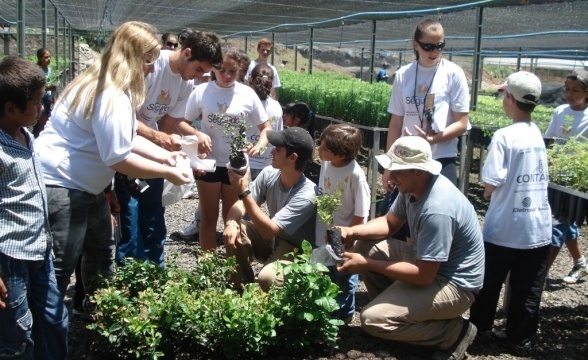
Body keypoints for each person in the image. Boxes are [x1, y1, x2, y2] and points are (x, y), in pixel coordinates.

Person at [34, 22, 191, 309]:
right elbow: (118, 158)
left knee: (101, 255)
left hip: (87, 189)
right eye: (149, 61)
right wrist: (168, 171)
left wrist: (165, 156)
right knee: (59, 268)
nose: (152, 69)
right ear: (133, 58)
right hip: (63, 186)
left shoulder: (111, 86)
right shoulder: (111, 94)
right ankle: (44, 338)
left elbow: (126, 138)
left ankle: (98, 319)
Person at [337, 135, 484, 360]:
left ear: (419, 170)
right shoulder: (412, 188)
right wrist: (351, 231)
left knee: (372, 320)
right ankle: (401, 314)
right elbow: (388, 223)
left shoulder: (437, 209)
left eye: (398, 170)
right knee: (365, 244)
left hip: (455, 285)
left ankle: (453, 332)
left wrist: (367, 265)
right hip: (430, 266)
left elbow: (424, 276)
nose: (391, 176)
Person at [115, 30, 223, 267]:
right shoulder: (151, 66)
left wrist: (187, 156)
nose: (198, 77)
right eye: (199, 70)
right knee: (130, 220)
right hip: (126, 153)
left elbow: (168, 126)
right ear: (186, 53)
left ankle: (155, 273)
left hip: (151, 152)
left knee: (154, 218)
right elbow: (124, 121)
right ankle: (129, 279)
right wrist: (161, 140)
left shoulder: (185, 84)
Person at [469, 71, 551, 357]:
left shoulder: (504, 136)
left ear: (510, 98)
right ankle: (521, 338)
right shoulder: (536, 131)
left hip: (506, 226)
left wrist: (488, 192)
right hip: (539, 225)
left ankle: (478, 330)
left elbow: (492, 181)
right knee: (528, 287)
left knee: (489, 281)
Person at [0, 55, 68, 360]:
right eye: (38, 102)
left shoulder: (26, 134)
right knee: (17, 335)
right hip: (9, 258)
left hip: (40, 249)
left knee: (54, 320)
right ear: (11, 109)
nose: (43, 107)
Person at [378, 18, 469, 237]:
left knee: (436, 221)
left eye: (440, 46)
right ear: (415, 45)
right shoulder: (404, 75)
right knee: (398, 222)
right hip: (406, 159)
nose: (434, 51)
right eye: (428, 46)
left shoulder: (453, 73)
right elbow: (396, 123)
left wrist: (434, 139)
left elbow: (463, 123)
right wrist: (390, 165)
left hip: (440, 157)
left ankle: (432, 268)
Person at [184, 48, 270, 251]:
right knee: (208, 217)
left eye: (233, 71)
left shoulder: (247, 94)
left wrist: (260, 145)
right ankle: (209, 266)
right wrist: (197, 134)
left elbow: (265, 127)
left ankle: (233, 267)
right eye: (221, 70)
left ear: (240, 70)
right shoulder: (201, 92)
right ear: (213, 69)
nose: (227, 75)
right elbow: (183, 123)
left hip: (236, 164)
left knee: (231, 219)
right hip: (208, 163)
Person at [222, 127, 318, 292]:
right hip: (276, 239)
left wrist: (243, 192)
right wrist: (231, 222)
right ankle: (240, 292)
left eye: (278, 150)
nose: (271, 151)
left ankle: (290, 299)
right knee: (237, 228)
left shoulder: (308, 194)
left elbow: (268, 231)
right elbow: (241, 205)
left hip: (297, 249)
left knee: (267, 279)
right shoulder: (270, 173)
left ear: (293, 157)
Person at [315, 124, 370, 323]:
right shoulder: (326, 164)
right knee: (327, 271)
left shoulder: (355, 175)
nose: (319, 149)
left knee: (344, 275)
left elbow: (361, 213)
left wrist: (350, 237)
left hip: (346, 236)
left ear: (338, 154)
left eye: (324, 148)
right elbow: (322, 193)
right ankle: (330, 310)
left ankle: (344, 314)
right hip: (327, 230)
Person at [544, 70, 588, 284]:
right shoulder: (560, 111)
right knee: (565, 222)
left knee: (557, 225)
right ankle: (580, 264)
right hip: (556, 176)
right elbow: (549, 140)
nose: (569, 94)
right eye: (567, 89)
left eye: (575, 90)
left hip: (575, 181)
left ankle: (539, 274)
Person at [248, 63, 284, 179]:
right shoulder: (276, 106)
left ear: (250, 80)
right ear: (272, 83)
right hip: (268, 166)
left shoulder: (245, 104)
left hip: (245, 163)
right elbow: (278, 136)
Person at [33, 48, 57, 138]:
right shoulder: (36, 71)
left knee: (48, 122)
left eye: (50, 57)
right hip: (40, 100)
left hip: (48, 100)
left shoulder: (50, 71)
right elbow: (35, 88)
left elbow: (53, 88)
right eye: (46, 57)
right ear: (40, 58)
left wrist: (54, 99)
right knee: (42, 125)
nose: (49, 59)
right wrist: (47, 88)